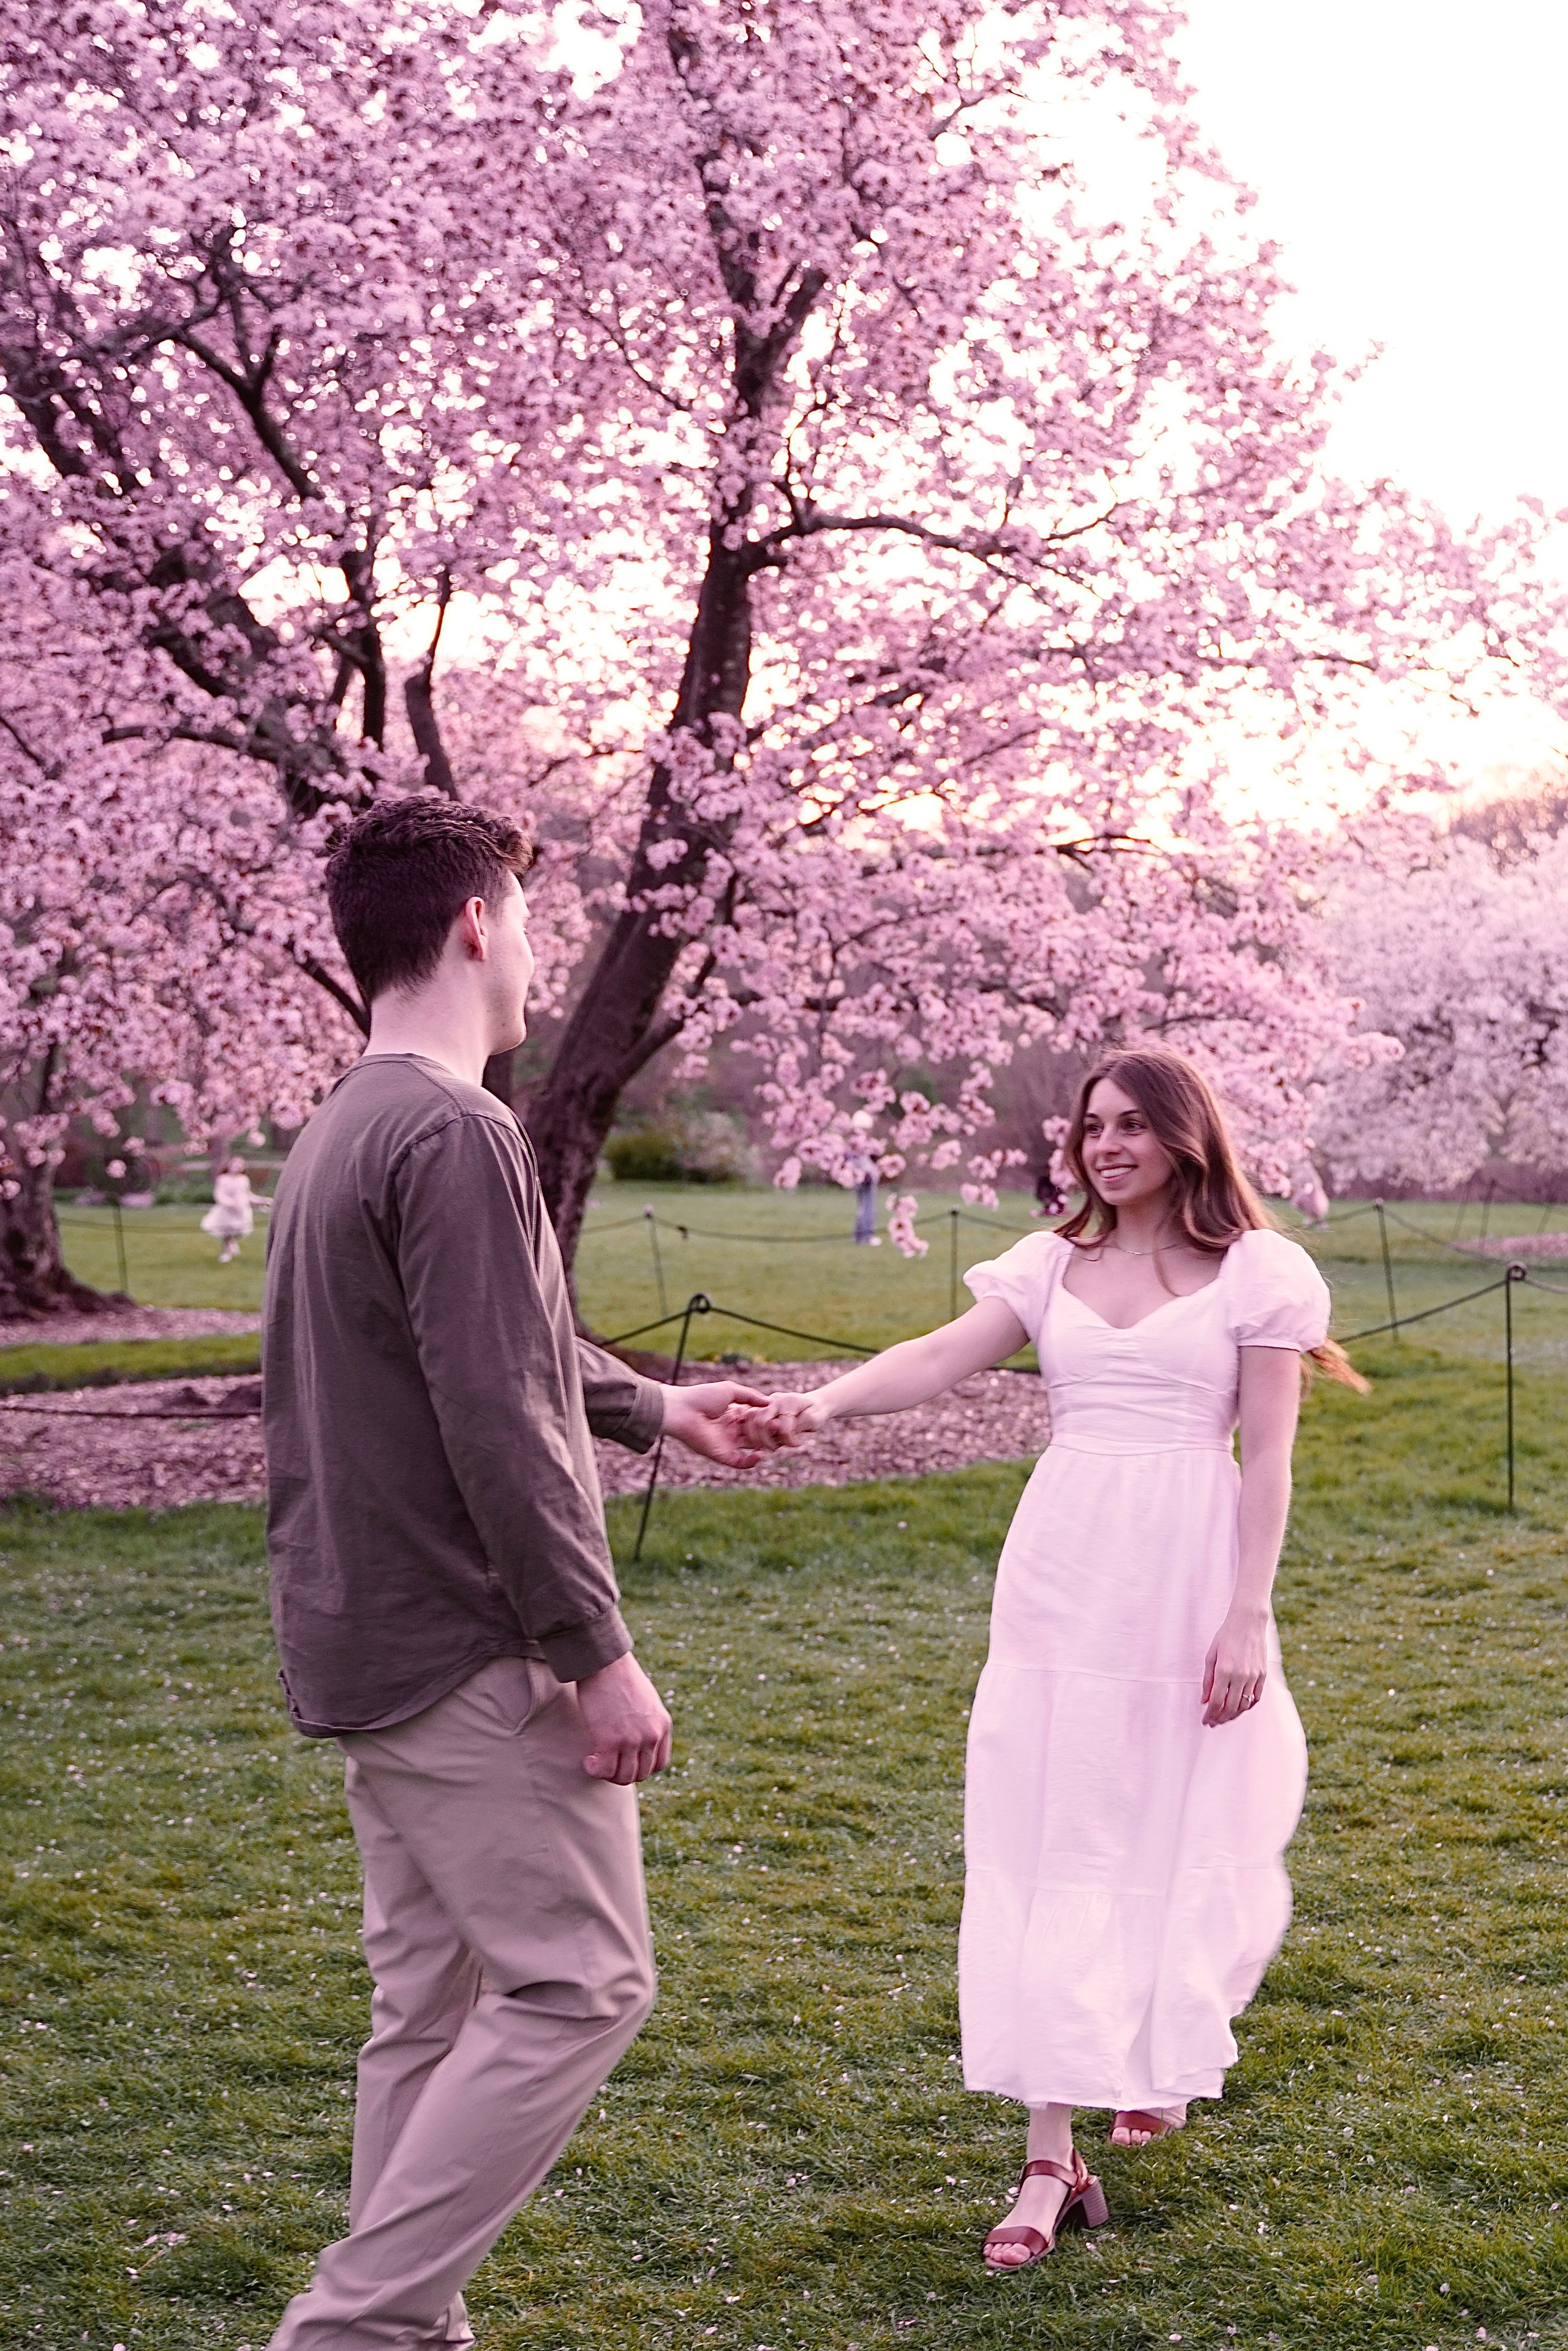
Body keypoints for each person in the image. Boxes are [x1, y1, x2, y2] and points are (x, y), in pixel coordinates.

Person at [260, 795, 774, 2350]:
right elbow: (495, 1418)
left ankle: (403, 2331)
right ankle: (353, 2327)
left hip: (361, 1641)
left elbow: (498, 1349)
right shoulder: (459, 1126)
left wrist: (655, 1403)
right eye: (533, 918)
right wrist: (591, 1645)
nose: (542, 951)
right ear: (478, 921)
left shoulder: (348, 1119)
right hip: (463, 1648)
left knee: (432, 2008)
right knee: (580, 1986)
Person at [747, 1047, 1363, 2267]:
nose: (1106, 1144)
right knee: (1052, 1831)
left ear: (1185, 1135)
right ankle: (1047, 2151)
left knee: (1167, 1823)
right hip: (1063, 1572)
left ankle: (1144, 2047)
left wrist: (1245, 1616)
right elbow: (936, 1356)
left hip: (1185, 1571)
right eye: (1090, 1126)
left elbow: (1271, 1464)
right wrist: (817, 1405)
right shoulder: (1047, 1263)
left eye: (1132, 1124)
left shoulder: (1258, 1273)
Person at [200, 1154, 258, 1262]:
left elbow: (248, 1194)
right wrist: (230, 1203)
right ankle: (227, 1252)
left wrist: (261, 1200)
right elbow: (219, 1194)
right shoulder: (223, 1179)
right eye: (235, 1164)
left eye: (241, 1165)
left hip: (241, 1210)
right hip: (227, 1210)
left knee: (240, 1231)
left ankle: (232, 1243)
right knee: (226, 1231)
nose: (238, 1167)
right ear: (229, 1165)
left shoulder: (244, 1179)